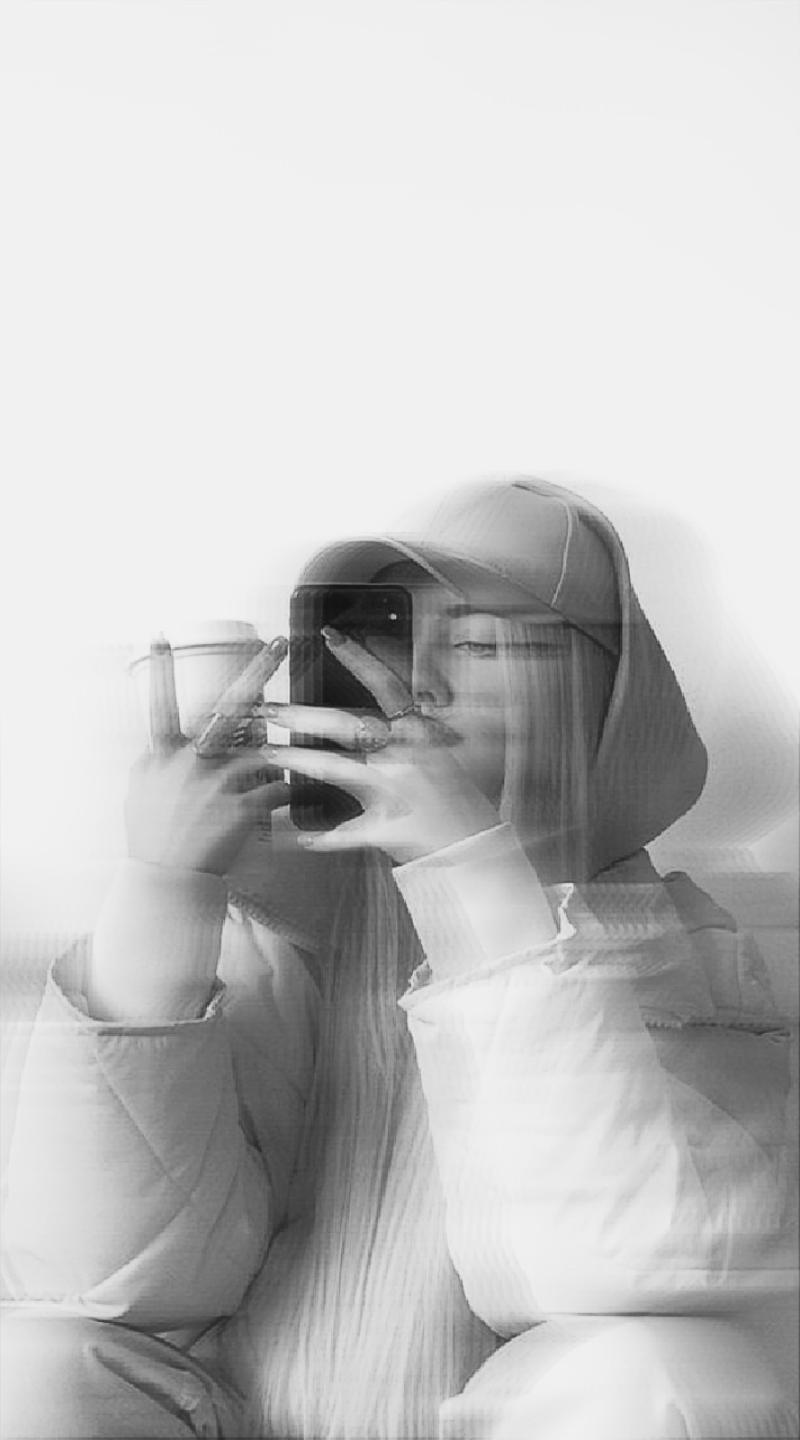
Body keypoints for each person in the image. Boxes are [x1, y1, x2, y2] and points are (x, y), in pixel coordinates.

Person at [1, 478, 797, 1439]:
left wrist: (474, 879)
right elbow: (104, 1280)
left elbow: (616, 1266)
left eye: (482, 642)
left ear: (598, 691)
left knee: (668, 1370)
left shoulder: (677, 945)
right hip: (253, 1414)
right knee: (33, 1371)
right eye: (390, 632)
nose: (421, 678)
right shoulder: (291, 935)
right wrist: (162, 894)